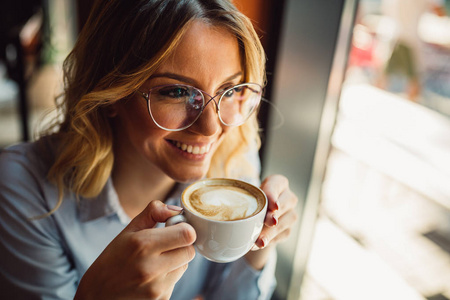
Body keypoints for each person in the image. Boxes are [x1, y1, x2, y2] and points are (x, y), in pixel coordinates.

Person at [0, 0, 299, 299]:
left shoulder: (234, 158)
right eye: (177, 92)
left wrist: (259, 244)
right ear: (111, 92)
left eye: (230, 90)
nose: (211, 127)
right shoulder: (24, 190)